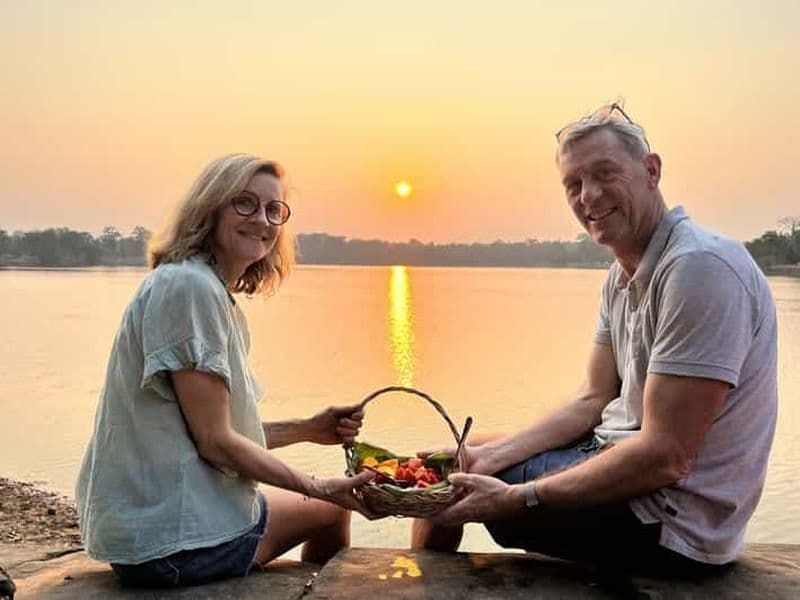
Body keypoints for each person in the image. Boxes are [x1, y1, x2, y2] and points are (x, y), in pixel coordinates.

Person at [412, 104, 778, 572]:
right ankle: (422, 576)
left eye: (605, 173)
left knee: (449, 487)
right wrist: (490, 457)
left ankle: (416, 586)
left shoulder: (699, 269)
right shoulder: (622, 274)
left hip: (673, 524)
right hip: (630, 470)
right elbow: (591, 399)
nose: (589, 195)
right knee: (465, 459)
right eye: (574, 184)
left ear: (651, 171)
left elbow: (667, 457)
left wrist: (517, 499)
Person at [76, 154, 374, 588]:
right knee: (331, 509)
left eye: (274, 210)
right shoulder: (190, 289)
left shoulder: (197, 286)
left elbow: (207, 431)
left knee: (316, 503)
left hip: (150, 530)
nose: (263, 220)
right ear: (209, 208)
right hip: (174, 544)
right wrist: (322, 486)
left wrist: (309, 428)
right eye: (245, 203)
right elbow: (216, 443)